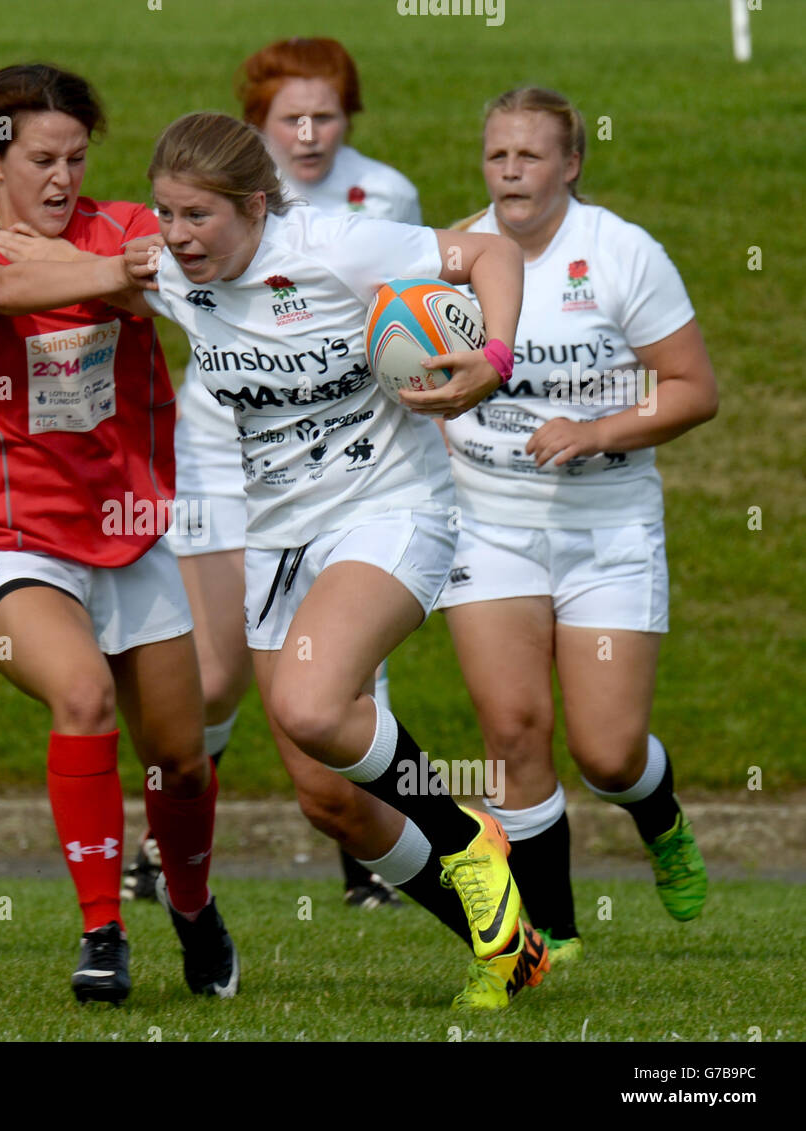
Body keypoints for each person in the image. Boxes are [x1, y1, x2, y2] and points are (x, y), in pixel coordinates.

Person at [111, 110, 546, 1009]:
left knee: (313, 704)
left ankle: (467, 834)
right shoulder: (164, 269)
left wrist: (493, 358)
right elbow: (42, 269)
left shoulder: (341, 246)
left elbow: (494, 255)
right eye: (165, 215)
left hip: (391, 511)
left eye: (200, 217)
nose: (179, 237)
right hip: (278, 539)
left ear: (256, 205)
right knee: (332, 801)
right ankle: (504, 945)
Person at [0, 64, 237, 1005]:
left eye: (77, 158)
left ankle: (191, 903)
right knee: (83, 693)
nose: (62, 177)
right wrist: (110, 278)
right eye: (42, 158)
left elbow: (156, 286)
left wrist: (115, 271)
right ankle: (103, 930)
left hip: (132, 535)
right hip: (4, 543)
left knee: (182, 755)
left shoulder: (130, 224)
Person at [129, 36, 420, 912]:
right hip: (223, 457)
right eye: (290, 117)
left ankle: (386, 838)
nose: (309, 132)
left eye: (325, 114)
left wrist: (447, 367)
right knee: (215, 681)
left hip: (347, 468)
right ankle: (171, 837)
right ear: (254, 127)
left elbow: (416, 310)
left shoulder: (374, 206)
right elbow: (106, 274)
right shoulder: (185, 228)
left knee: (333, 674)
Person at [436, 88, 718, 962]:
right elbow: (409, 364)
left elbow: (693, 389)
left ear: (571, 165)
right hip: (485, 523)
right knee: (513, 729)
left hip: (606, 525)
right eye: (497, 156)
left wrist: (596, 432)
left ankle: (658, 814)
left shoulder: (624, 255)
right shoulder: (449, 256)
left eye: (529, 155)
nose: (511, 170)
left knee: (607, 750)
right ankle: (553, 934)